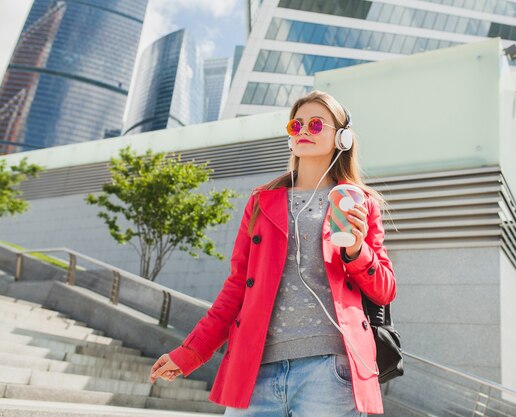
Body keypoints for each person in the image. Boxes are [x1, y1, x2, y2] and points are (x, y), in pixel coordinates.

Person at [149, 90, 397, 416]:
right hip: (256, 370)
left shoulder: (361, 203)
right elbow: (237, 288)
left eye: (316, 124)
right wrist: (189, 353)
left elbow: (384, 289)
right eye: (296, 125)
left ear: (343, 137)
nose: (304, 130)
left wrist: (356, 250)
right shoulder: (261, 201)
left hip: (330, 371)